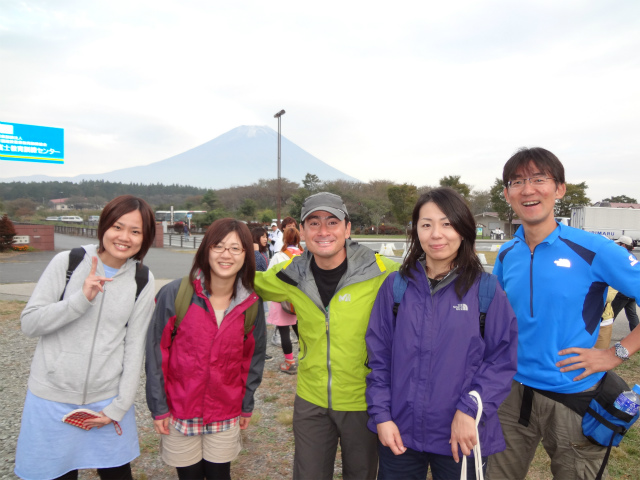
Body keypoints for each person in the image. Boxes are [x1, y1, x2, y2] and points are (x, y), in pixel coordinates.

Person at [487, 147, 640, 479]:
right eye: (517, 182)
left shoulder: (593, 248)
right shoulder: (507, 253)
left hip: (573, 394)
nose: (528, 189)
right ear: (507, 194)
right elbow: (496, 317)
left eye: (539, 179)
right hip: (512, 393)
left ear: (559, 189)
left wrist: (615, 353)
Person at [365, 188, 518, 480]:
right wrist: (381, 416)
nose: (436, 234)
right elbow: (379, 359)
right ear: (416, 231)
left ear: (463, 229)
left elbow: (501, 361)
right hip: (399, 432)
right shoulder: (396, 287)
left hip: (461, 434)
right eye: (426, 224)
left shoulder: (486, 290)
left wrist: (469, 410)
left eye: (447, 224)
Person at [254, 192, 399, 480]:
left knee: (361, 474)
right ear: (302, 230)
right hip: (311, 399)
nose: (323, 231)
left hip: (363, 400)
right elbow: (246, 282)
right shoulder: (290, 274)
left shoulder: (382, 270)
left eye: (332, 222)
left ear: (347, 228)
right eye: (314, 223)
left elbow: (430, 281)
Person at [15, 195, 157, 480]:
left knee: (117, 475)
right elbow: (30, 323)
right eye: (118, 227)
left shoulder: (142, 279)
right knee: (56, 474)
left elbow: (134, 348)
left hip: (106, 399)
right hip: (52, 398)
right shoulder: (69, 262)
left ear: (145, 238)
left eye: (135, 231)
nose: (124, 237)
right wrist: (80, 300)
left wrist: (119, 406)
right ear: (104, 225)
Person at [145, 218, 266, 480]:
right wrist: (159, 407)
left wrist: (246, 404)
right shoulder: (175, 294)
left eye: (235, 248)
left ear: (246, 255)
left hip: (225, 409)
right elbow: (156, 356)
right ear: (206, 250)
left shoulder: (251, 304)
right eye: (218, 246)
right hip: (180, 409)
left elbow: (252, 360)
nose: (226, 255)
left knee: (220, 475)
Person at [267, 227, 304, 374]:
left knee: (284, 331)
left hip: (282, 298)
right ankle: (304, 358)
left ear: (284, 239)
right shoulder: (305, 255)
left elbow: (269, 276)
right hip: (300, 299)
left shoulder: (279, 256)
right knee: (301, 330)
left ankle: (290, 363)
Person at [611, 235, 640, 332]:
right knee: (632, 315)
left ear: (623, 245)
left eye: (619, 244)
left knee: (611, 314)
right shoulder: (632, 256)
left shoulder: (622, 256)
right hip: (632, 290)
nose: (617, 245)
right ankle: (637, 336)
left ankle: (603, 334)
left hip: (624, 291)